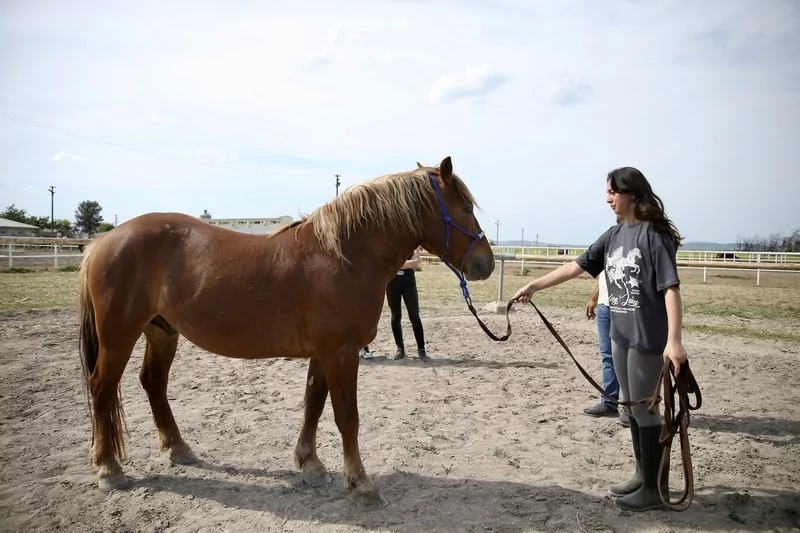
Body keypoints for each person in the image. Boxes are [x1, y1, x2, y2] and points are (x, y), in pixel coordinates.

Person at [511, 166, 687, 512]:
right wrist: (533, 285)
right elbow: (575, 267)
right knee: (631, 410)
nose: (608, 199)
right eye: (607, 192)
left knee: (646, 411)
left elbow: (671, 288)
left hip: (647, 336)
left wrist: (675, 340)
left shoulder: (654, 235)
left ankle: (654, 490)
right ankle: (643, 475)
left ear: (632, 194)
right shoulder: (614, 234)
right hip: (619, 333)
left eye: (612, 192)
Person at [584, 272, 630, 428]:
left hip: (625, 306)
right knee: (607, 356)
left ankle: (631, 406)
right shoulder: (607, 248)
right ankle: (609, 402)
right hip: (605, 307)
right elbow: (606, 274)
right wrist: (594, 298)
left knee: (628, 358)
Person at [387, 246, 429, 361]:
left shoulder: (413, 245)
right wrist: (406, 264)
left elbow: (416, 263)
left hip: (408, 283)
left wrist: (397, 264)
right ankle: (400, 348)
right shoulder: (389, 243)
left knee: (414, 316)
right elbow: (387, 262)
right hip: (392, 283)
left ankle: (421, 349)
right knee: (395, 317)